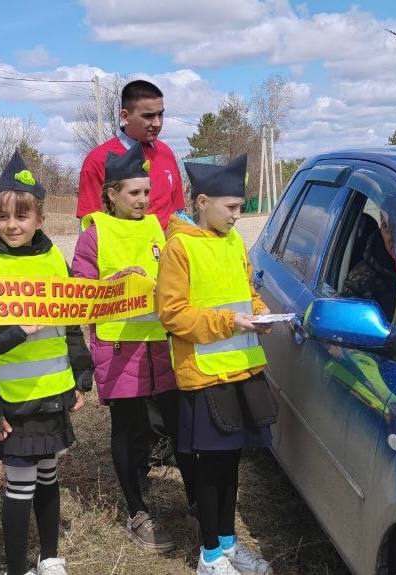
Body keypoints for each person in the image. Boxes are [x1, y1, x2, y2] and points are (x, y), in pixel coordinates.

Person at [0, 151, 94, 575]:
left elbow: (71, 324)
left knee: (49, 477)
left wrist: (79, 376)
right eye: (3, 216)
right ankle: (16, 568)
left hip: (52, 394)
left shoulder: (55, 261)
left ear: (40, 219)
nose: (12, 225)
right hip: (11, 403)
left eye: (22, 215)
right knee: (20, 487)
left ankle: (49, 558)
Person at [71, 142, 197, 552]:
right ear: (112, 194)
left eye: (147, 192)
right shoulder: (93, 235)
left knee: (179, 425)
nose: (144, 199)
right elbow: (80, 295)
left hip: (162, 347)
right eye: (135, 192)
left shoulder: (158, 229)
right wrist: (112, 285)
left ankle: (196, 500)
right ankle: (136, 510)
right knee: (128, 429)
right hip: (119, 351)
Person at [156, 156, 276, 575]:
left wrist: (260, 313)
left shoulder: (233, 242)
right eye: (231, 207)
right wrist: (229, 322)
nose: (237, 215)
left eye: (240, 207)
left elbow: (245, 292)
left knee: (230, 463)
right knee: (210, 467)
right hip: (205, 376)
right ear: (203, 202)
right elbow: (172, 314)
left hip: (242, 369)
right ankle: (209, 555)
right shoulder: (179, 248)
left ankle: (227, 543)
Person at [76, 80, 185, 229]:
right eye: (148, 116)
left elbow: (178, 213)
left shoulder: (166, 153)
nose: (157, 123)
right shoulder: (97, 160)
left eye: (160, 115)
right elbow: (90, 226)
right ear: (125, 116)